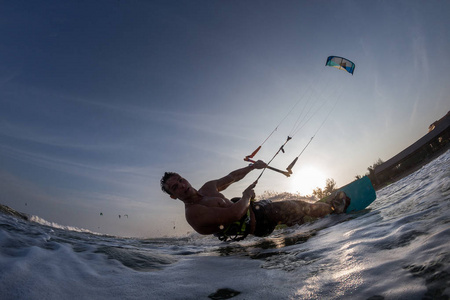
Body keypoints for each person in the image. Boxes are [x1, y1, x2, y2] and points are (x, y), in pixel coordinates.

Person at [160, 161, 350, 241]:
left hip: (256, 211)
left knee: (292, 212)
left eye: (181, 180)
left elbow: (232, 176)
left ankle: (305, 217)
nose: (182, 185)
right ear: (173, 196)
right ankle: (335, 208)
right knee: (296, 205)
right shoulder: (194, 213)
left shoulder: (208, 187)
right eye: (175, 187)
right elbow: (234, 214)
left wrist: (252, 167)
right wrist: (246, 196)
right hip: (256, 225)